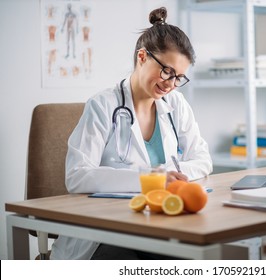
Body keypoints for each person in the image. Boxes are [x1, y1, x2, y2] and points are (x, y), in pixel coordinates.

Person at [50, 7, 213, 260]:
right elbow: (77, 176)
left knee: (192, 257)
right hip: (104, 231)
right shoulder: (102, 105)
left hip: (158, 223)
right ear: (141, 57)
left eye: (179, 77)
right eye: (167, 71)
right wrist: (152, 179)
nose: (170, 84)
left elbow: (202, 160)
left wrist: (174, 179)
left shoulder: (176, 105)